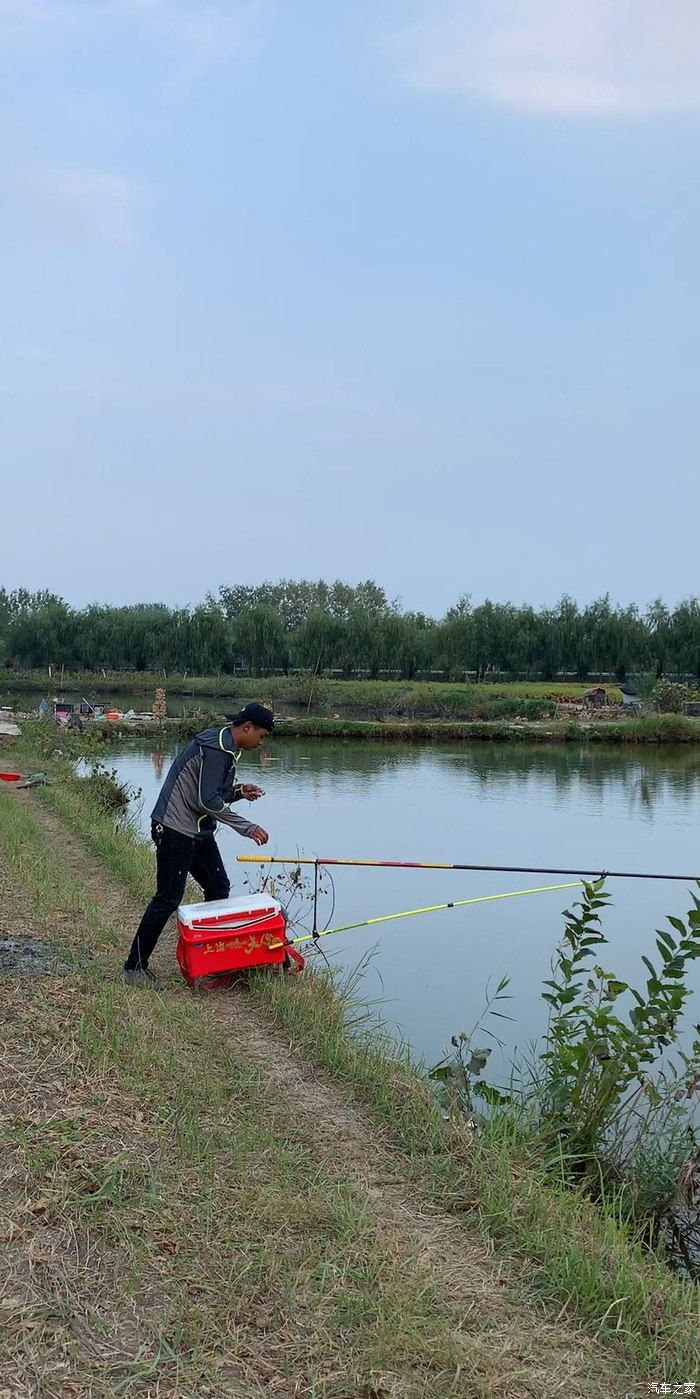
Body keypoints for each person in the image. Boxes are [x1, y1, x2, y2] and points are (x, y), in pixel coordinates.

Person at [122, 702, 273, 988]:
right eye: (262, 736)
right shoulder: (217, 749)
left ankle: (209, 959)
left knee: (218, 886)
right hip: (175, 829)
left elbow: (213, 792)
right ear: (247, 728)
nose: (261, 742)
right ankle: (134, 968)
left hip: (197, 831)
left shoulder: (226, 747)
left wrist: (240, 791)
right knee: (167, 898)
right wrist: (247, 827)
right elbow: (206, 801)